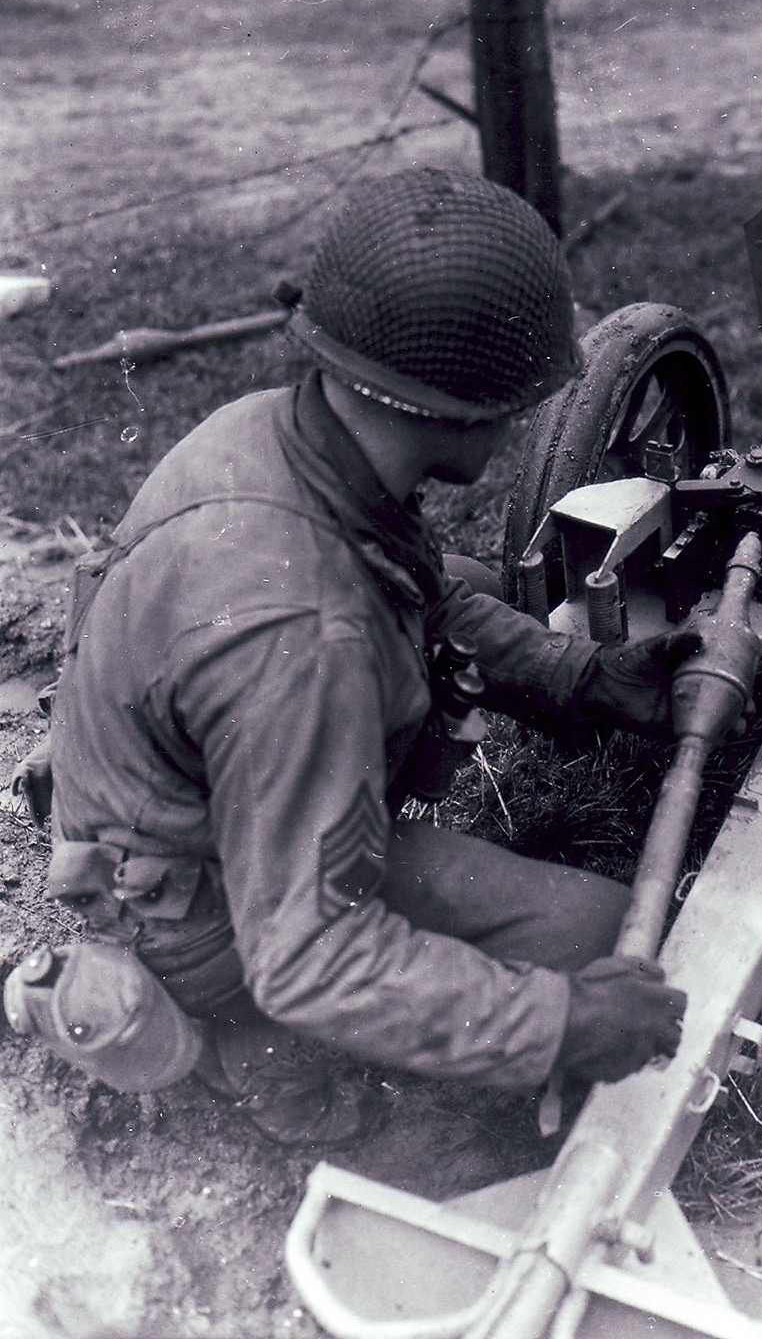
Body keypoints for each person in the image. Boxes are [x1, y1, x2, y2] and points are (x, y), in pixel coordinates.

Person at [4, 168, 691, 1146]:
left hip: (197, 798)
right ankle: (248, 1056)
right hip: (207, 904)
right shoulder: (298, 631)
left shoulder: (275, 434)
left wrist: (577, 676)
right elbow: (313, 952)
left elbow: (421, 589)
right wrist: (563, 1024)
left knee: (466, 575)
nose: (521, 422)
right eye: (514, 401)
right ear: (454, 411)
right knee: (595, 940)